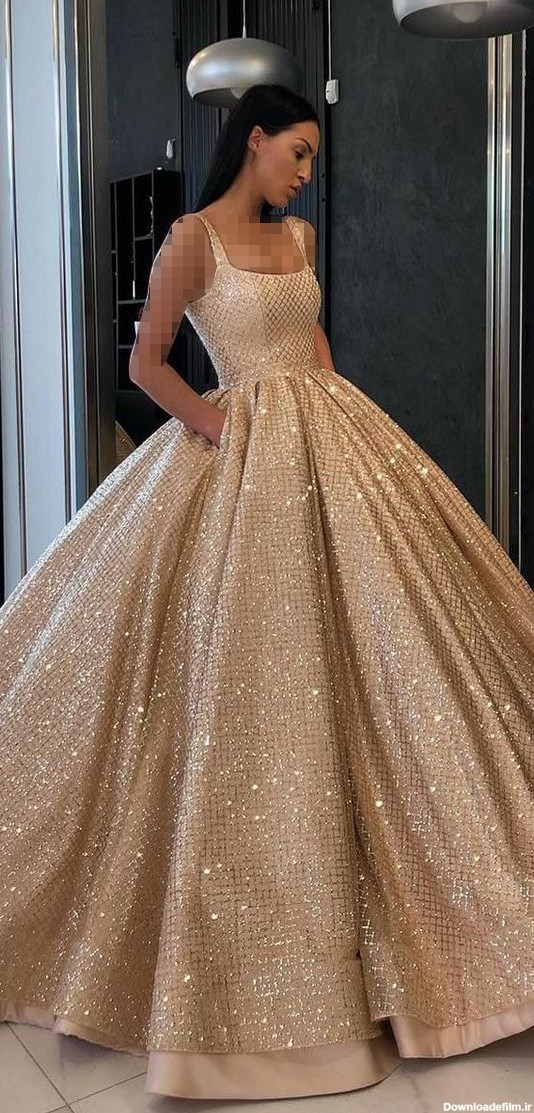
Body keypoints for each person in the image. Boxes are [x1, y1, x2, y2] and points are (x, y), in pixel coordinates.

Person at [0, 81, 533, 1102]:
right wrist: (217, 426)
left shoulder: (299, 240)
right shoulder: (191, 239)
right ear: (253, 141)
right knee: (243, 665)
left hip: (333, 437)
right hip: (236, 450)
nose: (305, 172)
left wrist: (345, 421)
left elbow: (315, 347)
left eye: (311, 156)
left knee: (396, 648)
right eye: (297, 151)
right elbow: (146, 362)